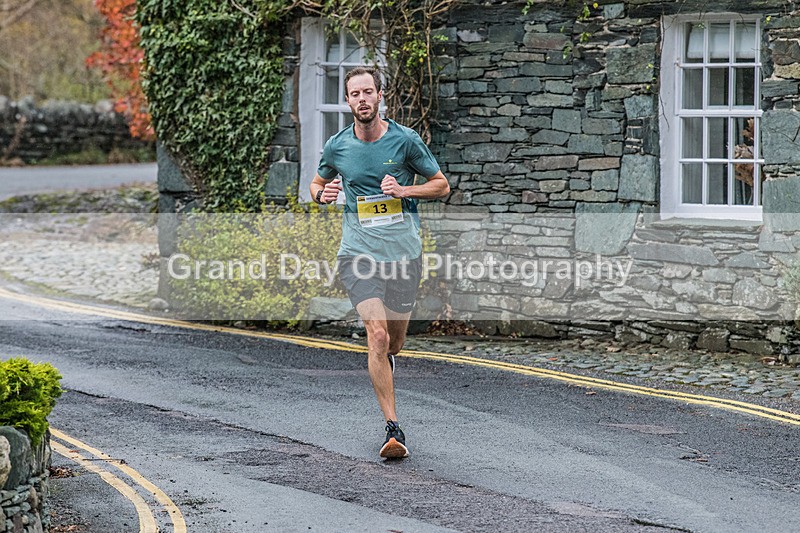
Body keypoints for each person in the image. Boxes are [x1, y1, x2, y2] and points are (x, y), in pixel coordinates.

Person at [309, 66, 450, 458]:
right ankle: (393, 429)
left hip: (403, 254)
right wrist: (322, 194)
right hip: (358, 253)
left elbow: (441, 185)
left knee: (395, 343)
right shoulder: (337, 146)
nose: (362, 99)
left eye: (368, 92)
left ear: (379, 95)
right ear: (348, 100)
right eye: (355, 94)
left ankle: (386, 363)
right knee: (377, 335)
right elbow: (317, 183)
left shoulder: (405, 141)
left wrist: (405, 190)